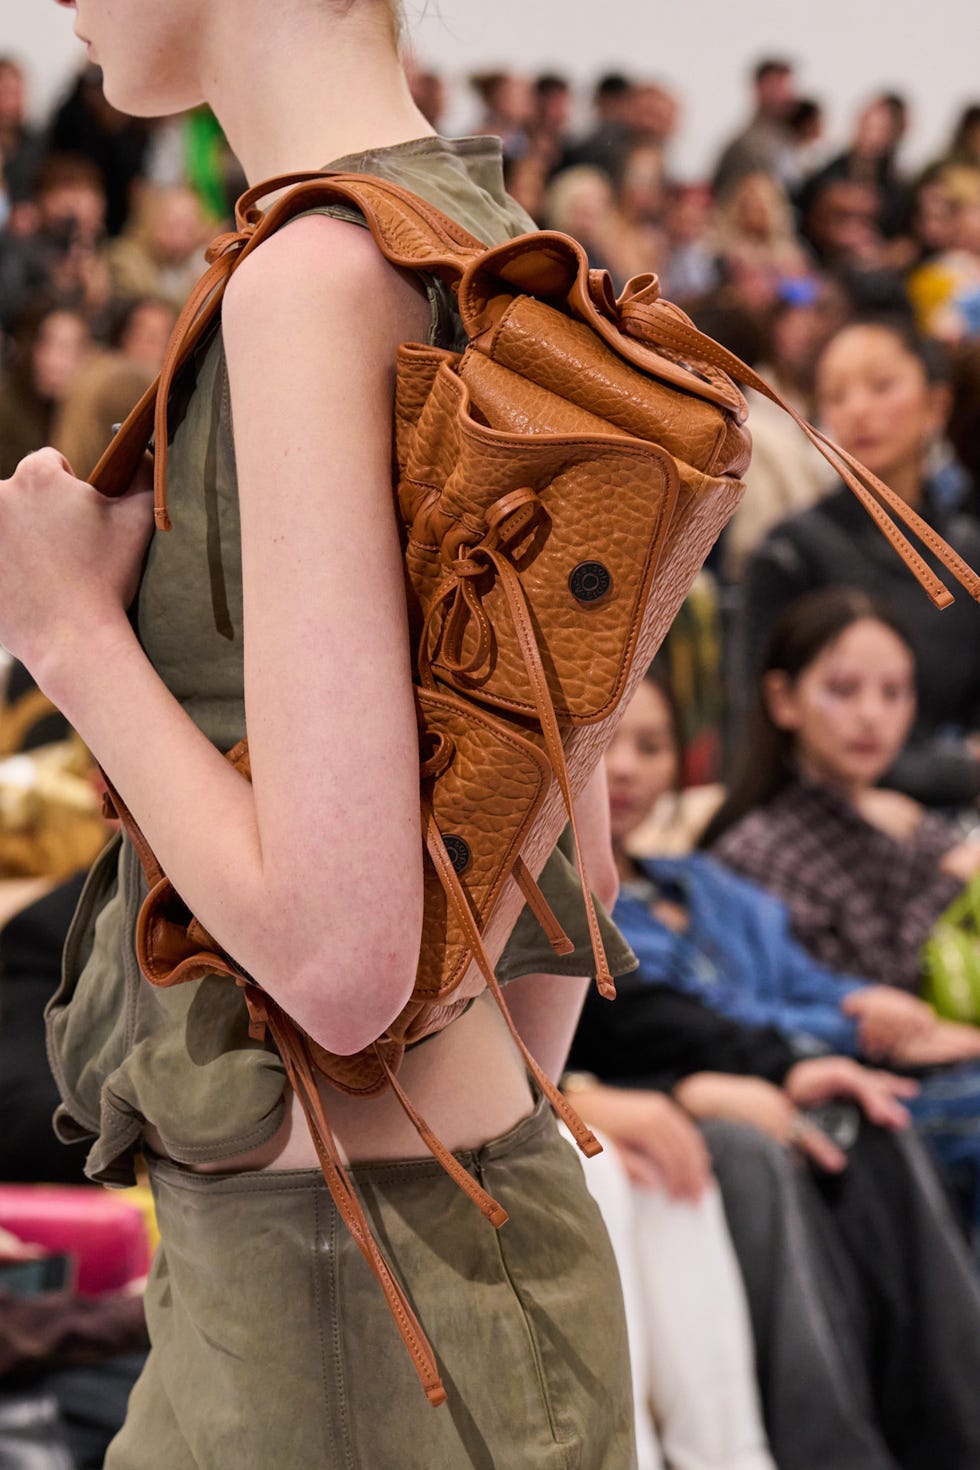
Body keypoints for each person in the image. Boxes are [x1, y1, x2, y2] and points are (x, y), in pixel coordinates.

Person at [14, 2, 638, 1465]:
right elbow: (577, 877)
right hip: (431, 1246)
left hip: (343, 1310)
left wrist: (66, 630)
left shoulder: (306, 284)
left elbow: (341, 967)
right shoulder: (487, 238)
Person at [567, 665, 980, 1468]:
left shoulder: (707, 883)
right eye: (609, 744)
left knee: (875, 1123)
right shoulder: (578, 897)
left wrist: (870, 1008)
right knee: (833, 1131)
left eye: (650, 746)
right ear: (784, 699)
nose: (624, 768)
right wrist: (838, 1032)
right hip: (724, 1081)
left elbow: (797, 976)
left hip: (796, 1067)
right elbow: (654, 1023)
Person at [704, 590, 980, 1232]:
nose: (872, 717)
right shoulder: (758, 849)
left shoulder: (908, 824)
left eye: (894, 693)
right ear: (783, 700)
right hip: (863, 1088)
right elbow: (864, 1010)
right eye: (844, 689)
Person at [741, 316, 980, 805]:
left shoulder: (967, 550)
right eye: (836, 396)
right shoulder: (791, 552)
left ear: (936, 405)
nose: (857, 410)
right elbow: (759, 728)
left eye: (881, 386)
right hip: (829, 807)